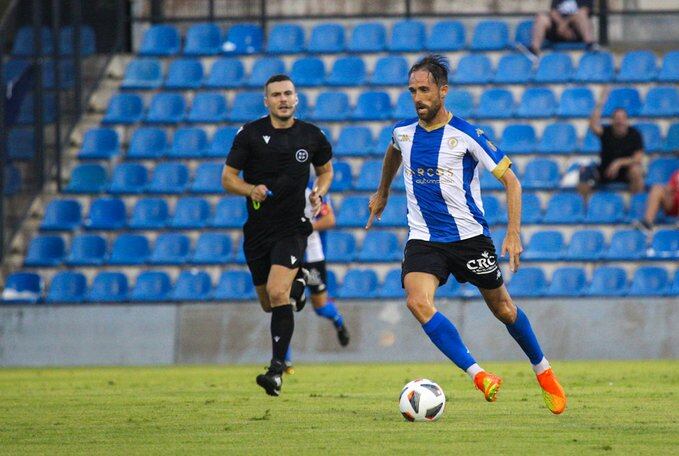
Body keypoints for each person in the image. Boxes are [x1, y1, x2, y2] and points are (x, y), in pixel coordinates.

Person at [365, 54, 567, 414]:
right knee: (417, 302)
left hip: (469, 238)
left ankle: (544, 372)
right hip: (425, 239)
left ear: (443, 91)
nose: (417, 98)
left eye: (424, 90)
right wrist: (382, 193)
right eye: (412, 90)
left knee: (503, 309)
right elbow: (392, 153)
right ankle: (480, 375)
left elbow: (512, 181)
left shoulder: (467, 135)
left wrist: (514, 233)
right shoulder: (402, 132)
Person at [222, 74, 333, 397]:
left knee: (276, 291)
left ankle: (275, 371)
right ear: (266, 101)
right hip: (257, 232)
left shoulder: (312, 136)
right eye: (276, 95)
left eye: (288, 93)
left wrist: (319, 193)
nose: (283, 99)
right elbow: (228, 178)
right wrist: (249, 188)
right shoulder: (250, 135)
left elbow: (325, 171)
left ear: (296, 98)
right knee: (270, 303)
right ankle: (301, 282)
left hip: (292, 227)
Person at [284, 186, 350, 374]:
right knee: (284, 304)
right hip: (287, 257)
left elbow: (330, 219)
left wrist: (307, 227)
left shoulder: (311, 192)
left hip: (312, 260)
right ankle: (284, 360)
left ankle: (337, 319)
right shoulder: (280, 190)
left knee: (320, 307)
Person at [578, 87, 645, 198]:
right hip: (605, 170)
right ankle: (586, 209)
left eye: (622, 118)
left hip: (625, 172)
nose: (620, 121)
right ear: (612, 120)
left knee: (636, 171)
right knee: (584, 172)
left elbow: (638, 158)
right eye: (617, 118)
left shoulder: (634, 134)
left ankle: (635, 206)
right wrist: (601, 101)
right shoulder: (606, 131)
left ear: (626, 120)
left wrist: (619, 162)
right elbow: (592, 125)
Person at [528, 0, 597, 57]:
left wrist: (565, 24)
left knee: (581, 15)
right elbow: (553, 12)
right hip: (558, 28)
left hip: (575, 31)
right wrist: (561, 24)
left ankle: (590, 47)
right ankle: (534, 51)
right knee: (542, 17)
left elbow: (584, 10)